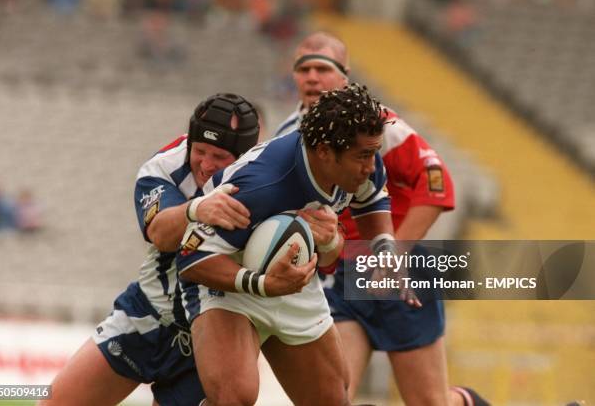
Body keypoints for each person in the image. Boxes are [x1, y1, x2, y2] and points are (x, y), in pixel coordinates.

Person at [274, 31, 489, 406]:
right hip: (342, 280)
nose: (311, 77)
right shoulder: (288, 136)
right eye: (302, 68)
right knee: (331, 399)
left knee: (430, 403)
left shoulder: (378, 126)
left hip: (400, 273)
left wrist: (396, 255)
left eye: (321, 68)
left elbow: (437, 184)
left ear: (345, 75)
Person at [176, 83, 415, 406]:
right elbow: (190, 259)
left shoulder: (361, 155)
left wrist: (385, 252)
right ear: (325, 152)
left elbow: (370, 204)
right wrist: (261, 283)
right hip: (229, 284)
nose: (372, 166)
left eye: (374, 153)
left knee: (332, 401)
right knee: (234, 398)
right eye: (363, 156)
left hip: (295, 283)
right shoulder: (260, 185)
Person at [39, 93, 264, 406]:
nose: (206, 164)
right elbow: (160, 234)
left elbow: (349, 243)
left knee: (336, 394)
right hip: (146, 315)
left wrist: (332, 246)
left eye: (219, 157)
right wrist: (196, 209)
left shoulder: (275, 177)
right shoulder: (164, 166)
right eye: (199, 151)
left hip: (213, 332)